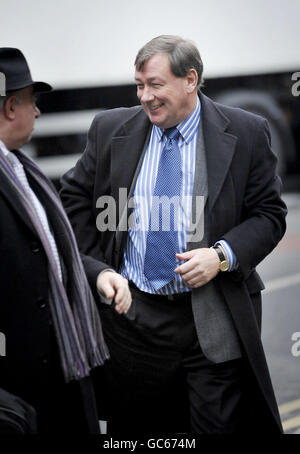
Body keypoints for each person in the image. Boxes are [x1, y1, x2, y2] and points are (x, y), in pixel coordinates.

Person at [60, 35, 287, 434]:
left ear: (190, 80)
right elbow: (73, 201)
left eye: (155, 84)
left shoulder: (248, 132)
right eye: (139, 85)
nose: (145, 96)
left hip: (211, 321)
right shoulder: (111, 129)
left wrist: (221, 255)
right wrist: (96, 269)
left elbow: (269, 215)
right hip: (133, 322)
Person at [0, 47, 110, 434]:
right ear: (12, 106)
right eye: (33, 102)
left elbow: (50, 254)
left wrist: (94, 272)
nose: (38, 112)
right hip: (19, 391)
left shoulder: (19, 166)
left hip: (60, 369)